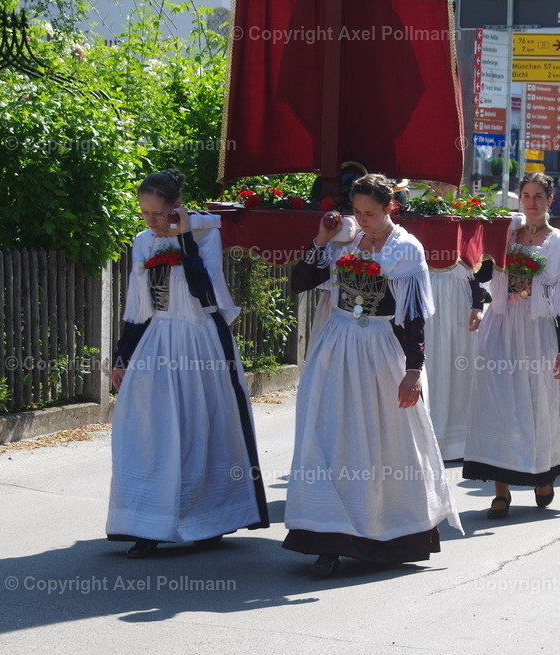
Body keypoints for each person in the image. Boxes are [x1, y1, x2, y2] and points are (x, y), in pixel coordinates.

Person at [284, 173, 461, 576]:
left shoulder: (405, 249)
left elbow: (412, 317)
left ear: (390, 207)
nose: (362, 220)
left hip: (380, 349)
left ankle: (386, 532)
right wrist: (321, 240)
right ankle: (326, 538)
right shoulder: (344, 240)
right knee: (329, 435)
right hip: (336, 346)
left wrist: (413, 371)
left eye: (370, 213)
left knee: (383, 439)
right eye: (357, 211)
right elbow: (301, 282)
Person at [108, 169, 269, 559]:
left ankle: (210, 519)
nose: (150, 221)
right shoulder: (143, 242)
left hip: (201, 341)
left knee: (203, 430)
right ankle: (147, 524)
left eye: (157, 213)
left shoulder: (204, 234)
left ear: (176, 208)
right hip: (158, 340)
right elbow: (138, 307)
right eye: (144, 213)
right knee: (151, 432)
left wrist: (184, 237)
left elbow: (205, 292)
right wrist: (122, 358)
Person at [463, 173, 560, 517]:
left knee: (536, 405)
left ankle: (541, 475)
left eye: (538, 196)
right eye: (526, 195)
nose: (531, 202)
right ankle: (500, 492)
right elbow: (479, 275)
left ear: (550, 200)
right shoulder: (505, 233)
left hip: (537, 332)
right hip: (500, 326)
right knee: (496, 405)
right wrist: (482, 246)